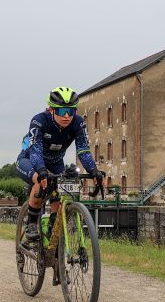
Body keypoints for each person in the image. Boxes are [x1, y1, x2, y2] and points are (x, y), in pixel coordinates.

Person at [16, 87, 103, 240]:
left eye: (71, 111)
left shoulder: (77, 123)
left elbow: (83, 150)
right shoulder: (39, 120)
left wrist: (93, 170)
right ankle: (31, 223)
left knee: (59, 192)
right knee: (40, 181)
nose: (67, 116)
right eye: (63, 111)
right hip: (30, 159)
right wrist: (42, 170)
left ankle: (52, 228)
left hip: (56, 163)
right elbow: (35, 150)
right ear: (52, 110)